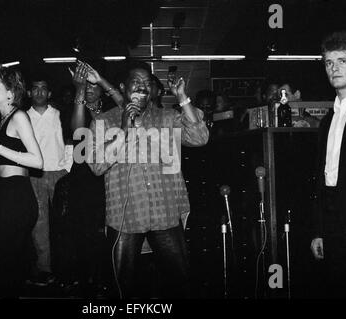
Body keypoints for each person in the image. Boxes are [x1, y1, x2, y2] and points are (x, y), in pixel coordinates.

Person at [85, 61, 209, 298]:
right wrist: (123, 131)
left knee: (181, 283)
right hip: (125, 219)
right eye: (136, 82)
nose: (142, 87)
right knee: (122, 288)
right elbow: (97, 166)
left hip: (165, 214)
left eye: (147, 83)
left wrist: (182, 97)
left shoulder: (167, 118)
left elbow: (200, 137)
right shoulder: (103, 122)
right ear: (123, 87)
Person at [0, 65, 43, 297]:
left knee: (7, 261)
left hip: (17, 196)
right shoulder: (2, 120)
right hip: (5, 193)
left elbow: (37, 161)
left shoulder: (18, 116)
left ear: (10, 93)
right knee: (7, 261)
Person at [67, 61, 121, 297]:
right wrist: (79, 90)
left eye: (92, 85)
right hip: (83, 177)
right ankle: (87, 281)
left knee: (106, 231)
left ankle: (106, 280)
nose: (88, 88)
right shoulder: (73, 107)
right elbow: (78, 133)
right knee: (84, 231)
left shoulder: (112, 111)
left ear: (100, 87)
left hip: (108, 175)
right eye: (84, 86)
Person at [310, 31, 346, 297]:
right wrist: (319, 231)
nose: (334, 67)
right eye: (328, 62)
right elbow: (323, 178)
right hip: (334, 221)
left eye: (343, 60)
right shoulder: (328, 120)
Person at [26, 75, 72, 286]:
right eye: (35, 88)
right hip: (35, 175)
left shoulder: (61, 115)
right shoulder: (22, 118)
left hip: (60, 174)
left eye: (43, 88)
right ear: (29, 93)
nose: (39, 92)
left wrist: (67, 168)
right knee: (40, 224)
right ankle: (44, 270)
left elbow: (71, 140)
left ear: (50, 93)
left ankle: (66, 269)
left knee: (64, 223)